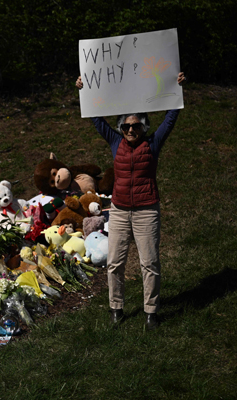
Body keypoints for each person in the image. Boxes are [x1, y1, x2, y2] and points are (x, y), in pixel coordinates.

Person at [76, 72, 186, 329]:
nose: (131, 130)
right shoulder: (115, 142)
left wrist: (178, 88)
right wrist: (84, 89)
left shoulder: (153, 143)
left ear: (144, 127)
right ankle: (116, 308)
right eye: (126, 126)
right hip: (120, 210)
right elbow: (96, 117)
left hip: (147, 210)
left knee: (150, 263)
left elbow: (170, 119)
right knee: (114, 262)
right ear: (120, 129)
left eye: (136, 126)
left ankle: (151, 312)